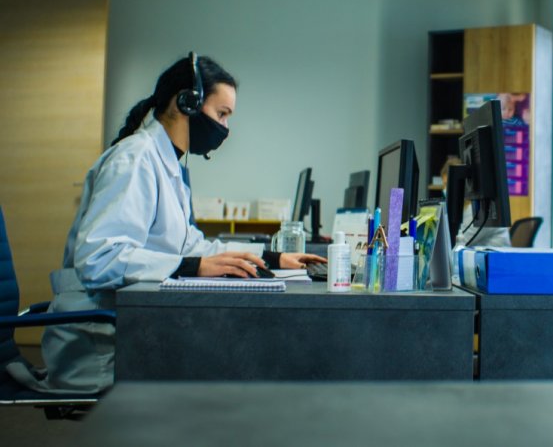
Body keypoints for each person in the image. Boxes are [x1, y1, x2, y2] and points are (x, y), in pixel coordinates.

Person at [7, 53, 326, 394]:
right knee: (229, 369)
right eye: (222, 114)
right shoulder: (134, 160)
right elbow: (98, 260)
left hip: (127, 325)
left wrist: (273, 258)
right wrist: (191, 267)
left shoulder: (168, 167)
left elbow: (193, 246)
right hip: (101, 339)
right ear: (185, 103)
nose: (225, 129)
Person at [441, 156, 511, 248]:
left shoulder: (477, 208)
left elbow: (460, 243)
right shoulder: (464, 208)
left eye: (448, 184)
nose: (445, 189)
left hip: (498, 260)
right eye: (444, 184)